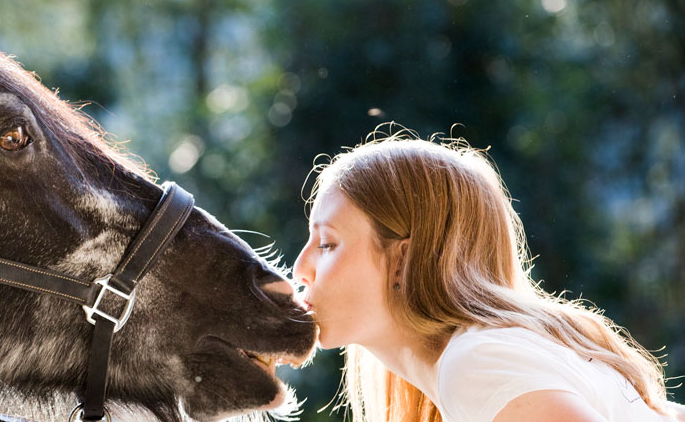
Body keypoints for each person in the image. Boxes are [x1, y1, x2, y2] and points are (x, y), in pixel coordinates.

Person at [291, 133, 685, 422]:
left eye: (327, 243)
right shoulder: (484, 359)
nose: (300, 267)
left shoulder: (476, 365)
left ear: (403, 260)